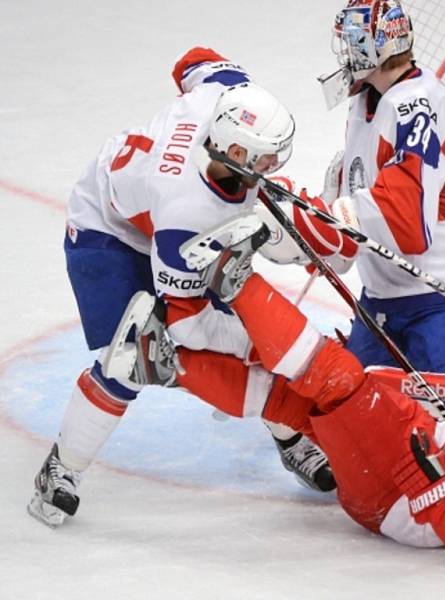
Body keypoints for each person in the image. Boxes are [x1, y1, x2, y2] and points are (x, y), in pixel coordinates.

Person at [106, 216, 445, 567]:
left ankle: (236, 281)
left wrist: (432, 488)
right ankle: (165, 365)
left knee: (340, 380)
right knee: (297, 404)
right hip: (430, 447)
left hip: (402, 499)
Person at [28, 48, 336, 529]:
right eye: (266, 155)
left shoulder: (223, 93)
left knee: (249, 321)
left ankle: (288, 436)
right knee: (128, 356)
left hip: (155, 206)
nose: (276, 161)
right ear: (235, 153)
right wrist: (253, 343)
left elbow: (193, 61)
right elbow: (188, 326)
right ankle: (61, 469)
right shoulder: (186, 216)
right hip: (105, 232)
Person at [310, 0, 445, 374]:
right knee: (347, 403)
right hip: (388, 297)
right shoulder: (364, 102)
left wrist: (333, 216)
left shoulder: (417, 108)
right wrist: (327, 226)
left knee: (444, 414)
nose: (346, 50)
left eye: (352, 40)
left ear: (377, 45)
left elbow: (407, 224)